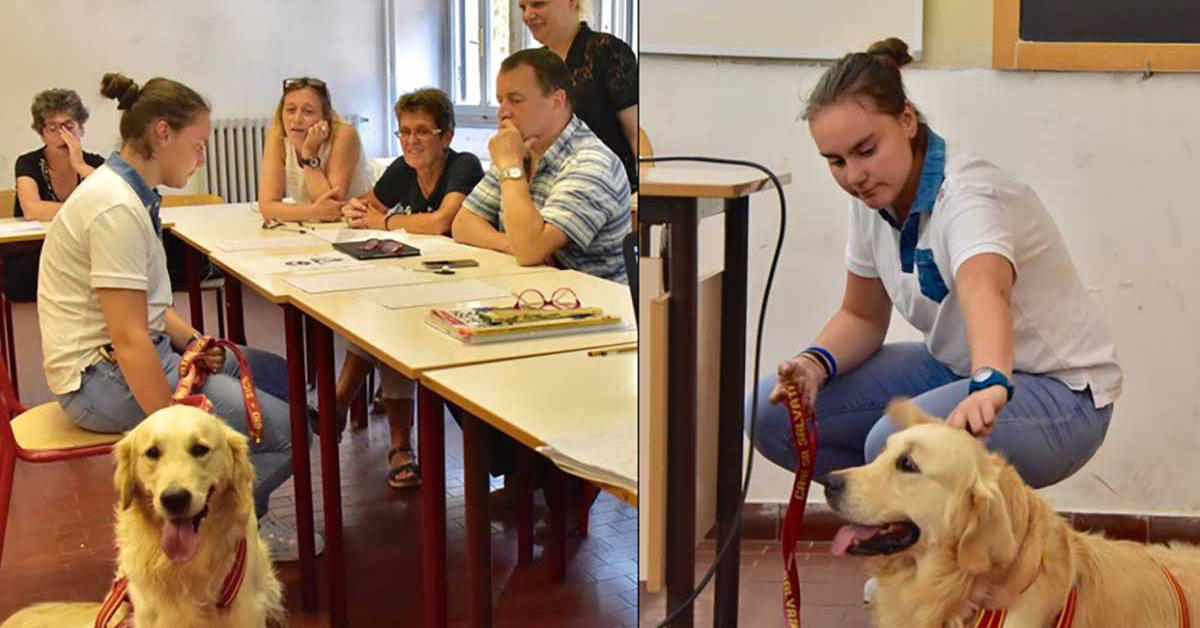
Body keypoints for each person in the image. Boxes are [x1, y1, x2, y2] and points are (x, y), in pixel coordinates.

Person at [750, 38, 1121, 496]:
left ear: (907, 119)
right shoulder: (872, 197)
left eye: (866, 150)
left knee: (895, 445)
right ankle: (909, 540)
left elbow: (986, 291)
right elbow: (861, 317)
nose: (853, 176)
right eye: (836, 161)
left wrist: (989, 383)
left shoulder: (969, 196)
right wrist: (813, 366)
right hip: (957, 367)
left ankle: (930, 546)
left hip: (1060, 393)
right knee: (772, 416)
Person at [37, 72, 321, 561]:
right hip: (98, 379)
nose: (201, 157)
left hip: (118, 359)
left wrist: (200, 343)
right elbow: (129, 339)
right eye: (198, 144)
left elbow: (149, 309)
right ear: (163, 133)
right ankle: (216, 532)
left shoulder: (129, 193)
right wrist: (174, 422)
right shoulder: (114, 207)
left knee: (273, 373)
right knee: (292, 432)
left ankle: (239, 521)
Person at [336, 87, 484, 488]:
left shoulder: (464, 165)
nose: (411, 141)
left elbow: (442, 222)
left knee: (388, 320)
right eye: (404, 132)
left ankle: (341, 404)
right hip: (421, 281)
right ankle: (397, 444)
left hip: (470, 287)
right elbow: (366, 207)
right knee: (382, 315)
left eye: (422, 132)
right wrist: (356, 211)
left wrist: (381, 224)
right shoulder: (403, 170)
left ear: (446, 137)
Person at [452, 48, 630, 284]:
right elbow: (463, 224)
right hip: (536, 294)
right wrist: (509, 244)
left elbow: (530, 251)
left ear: (557, 101)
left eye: (515, 100)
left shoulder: (592, 162)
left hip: (592, 307)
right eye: (500, 101)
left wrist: (510, 167)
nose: (503, 113)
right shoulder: (520, 150)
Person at [521, 0, 639, 189]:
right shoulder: (532, 65)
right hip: (547, 187)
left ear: (571, 2)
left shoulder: (607, 51)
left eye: (538, 4)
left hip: (602, 186)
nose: (527, 16)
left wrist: (648, 193)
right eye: (523, 8)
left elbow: (636, 132)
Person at [7, 89, 105, 302]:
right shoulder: (28, 162)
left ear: (82, 128)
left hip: (83, 249)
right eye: (52, 128)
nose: (62, 136)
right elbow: (32, 209)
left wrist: (79, 165)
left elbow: (113, 201)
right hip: (37, 251)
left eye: (69, 126)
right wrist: (86, 211)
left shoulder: (95, 164)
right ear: (41, 133)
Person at [258, 77, 373, 222]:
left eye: (308, 112)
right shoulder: (277, 135)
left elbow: (331, 206)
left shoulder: (344, 135)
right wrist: (312, 212)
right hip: (313, 226)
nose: (297, 119)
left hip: (356, 223)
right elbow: (267, 207)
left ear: (325, 117)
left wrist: (309, 152)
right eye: (291, 110)